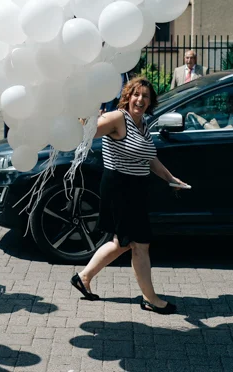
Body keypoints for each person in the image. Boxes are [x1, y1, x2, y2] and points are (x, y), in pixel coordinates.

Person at [71, 77, 188, 314]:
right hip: (119, 188)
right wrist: (87, 116)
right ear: (127, 96)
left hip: (135, 189)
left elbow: (150, 159)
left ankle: (83, 277)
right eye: (136, 94)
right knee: (140, 244)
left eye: (145, 96)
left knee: (121, 243)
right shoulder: (117, 118)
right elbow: (87, 133)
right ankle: (150, 298)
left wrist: (170, 179)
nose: (140, 99)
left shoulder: (142, 123)